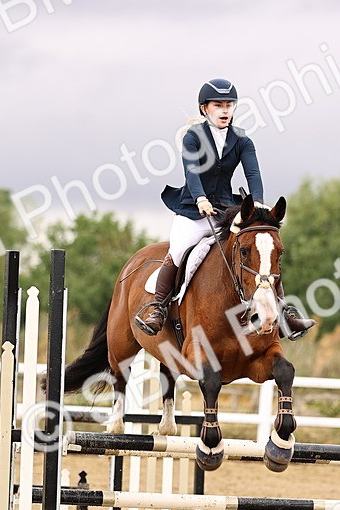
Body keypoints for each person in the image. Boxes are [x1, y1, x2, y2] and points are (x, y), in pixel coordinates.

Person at [135, 78, 316, 339]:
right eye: (218, 105)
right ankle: (158, 308)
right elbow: (192, 171)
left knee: (260, 248)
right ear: (204, 109)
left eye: (229, 105)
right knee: (179, 248)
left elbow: (253, 173)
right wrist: (199, 198)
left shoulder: (242, 140)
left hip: (226, 208)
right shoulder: (193, 137)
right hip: (192, 209)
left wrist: (257, 203)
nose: (224, 110)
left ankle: (285, 313)